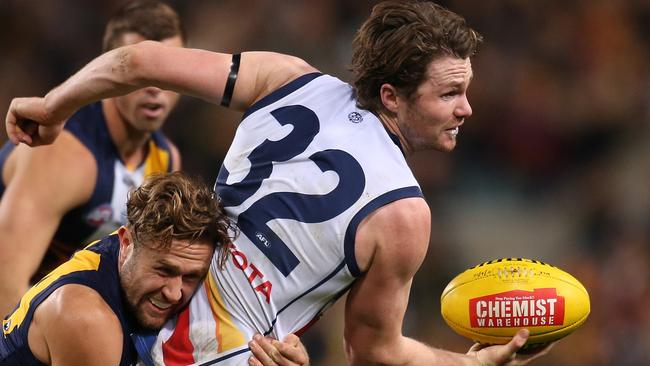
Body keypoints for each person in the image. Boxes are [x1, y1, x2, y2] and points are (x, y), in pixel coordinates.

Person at [5, 1, 552, 365]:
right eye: (450, 93)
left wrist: (55, 106)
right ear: (390, 95)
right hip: (207, 351)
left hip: (134, 273)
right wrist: (468, 362)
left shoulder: (287, 77)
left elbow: (139, 60)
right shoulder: (403, 215)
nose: (467, 107)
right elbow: (375, 353)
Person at [0, 172, 309, 366]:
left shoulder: (137, 257)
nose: (174, 293)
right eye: (164, 270)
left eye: (191, 276)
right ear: (126, 242)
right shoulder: (86, 319)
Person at [0, 0, 184, 316]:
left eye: (168, 71)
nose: (155, 88)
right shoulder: (62, 153)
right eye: (140, 73)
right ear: (110, 73)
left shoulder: (165, 160)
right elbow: (5, 284)